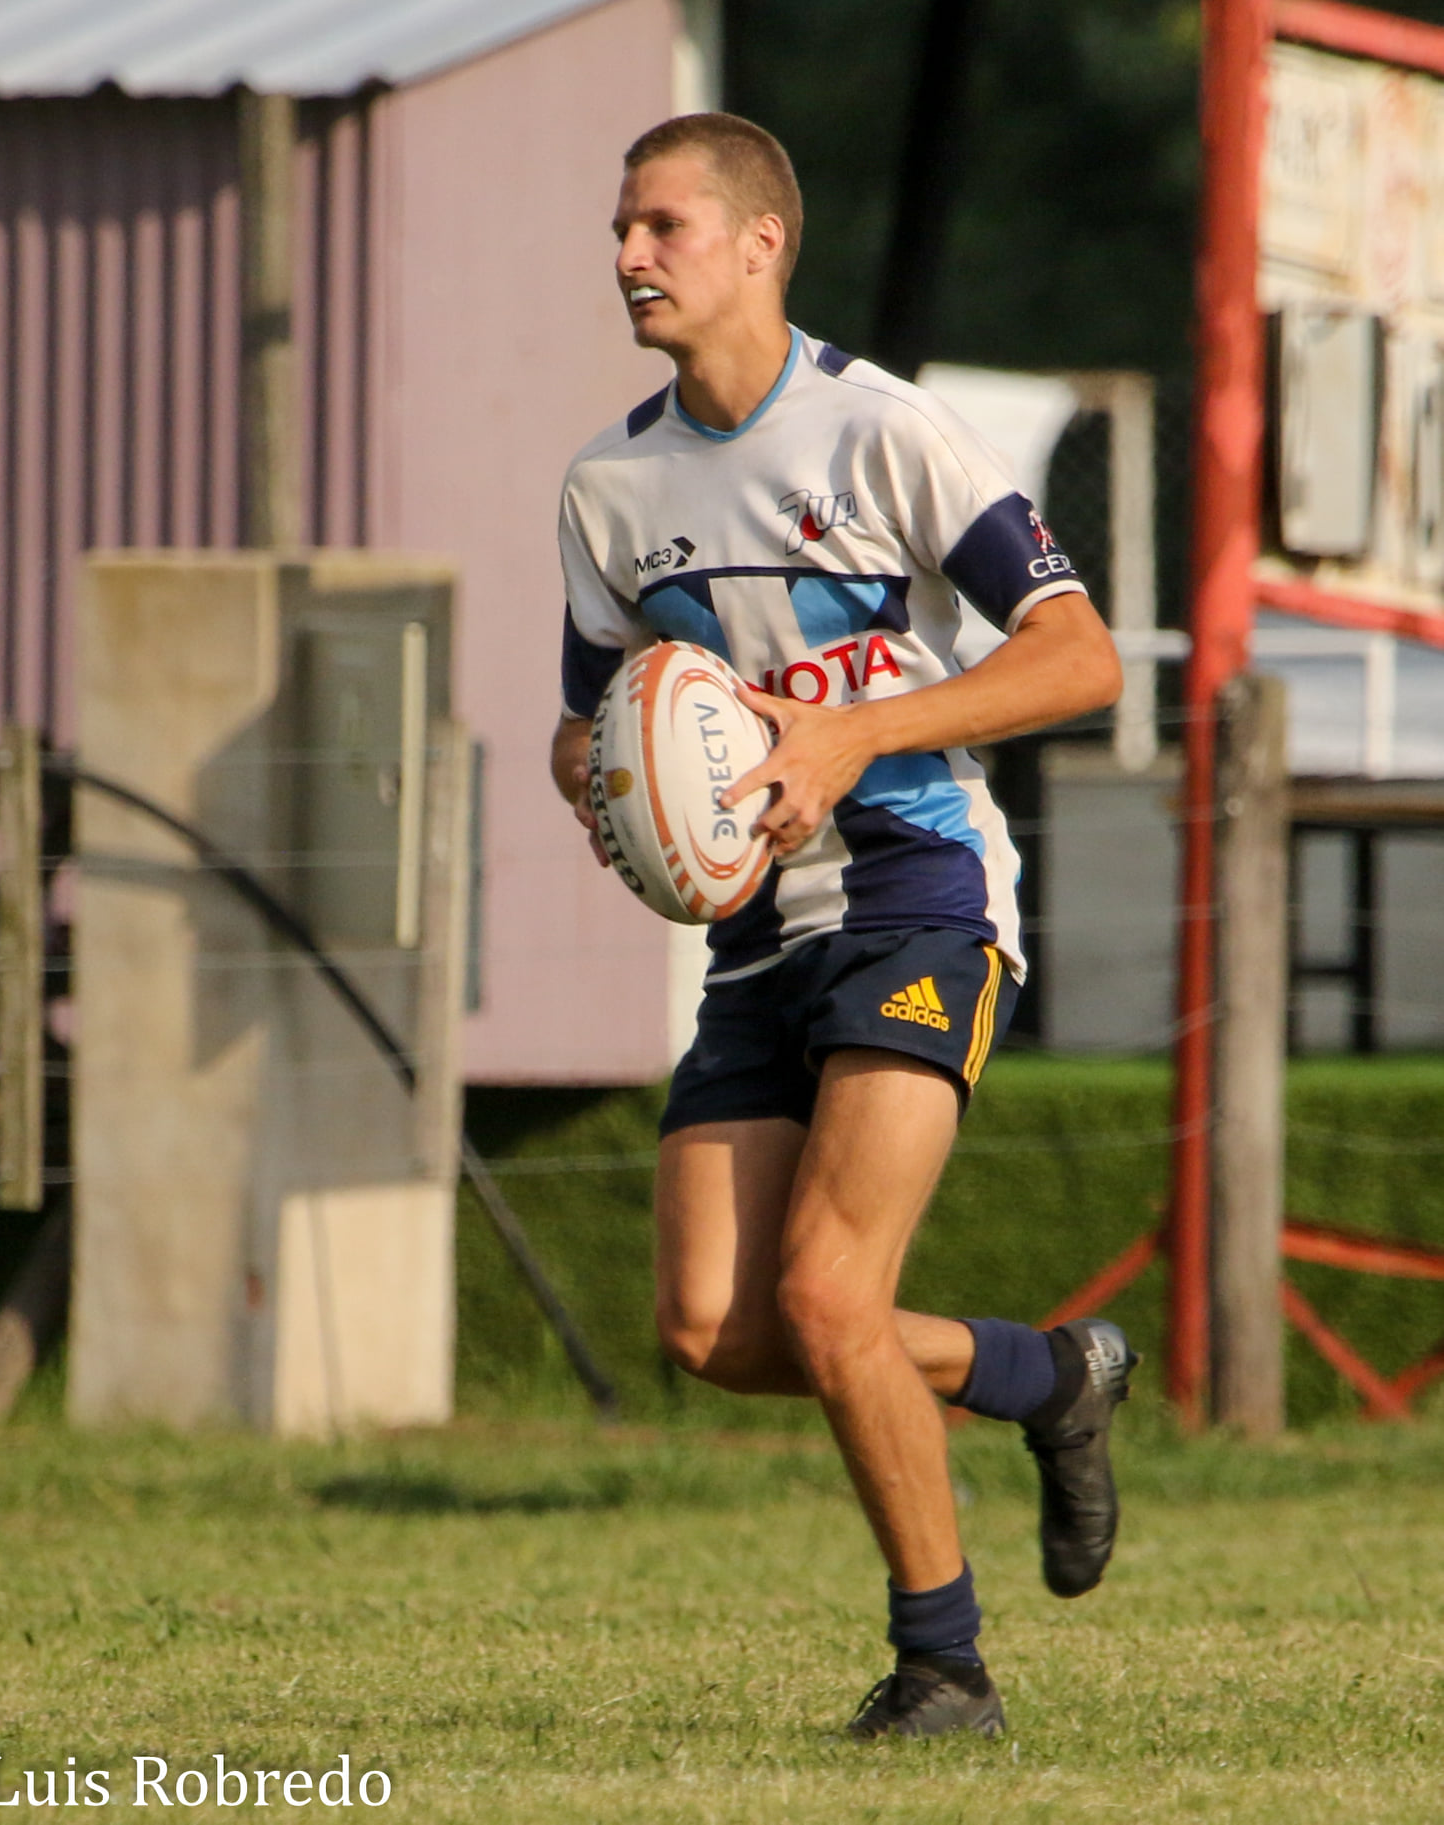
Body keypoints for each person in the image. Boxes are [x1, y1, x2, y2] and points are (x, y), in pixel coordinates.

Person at [551, 111, 1136, 1741]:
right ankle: (1043, 1376)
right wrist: (620, 805)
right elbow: (587, 722)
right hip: (757, 940)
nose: (628, 258)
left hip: (914, 893)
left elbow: (1079, 659)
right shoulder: (609, 488)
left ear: (759, 243)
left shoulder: (883, 433)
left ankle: (943, 1670)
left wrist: (851, 733)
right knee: (712, 1330)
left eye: (660, 226)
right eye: (619, 229)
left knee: (826, 1296)